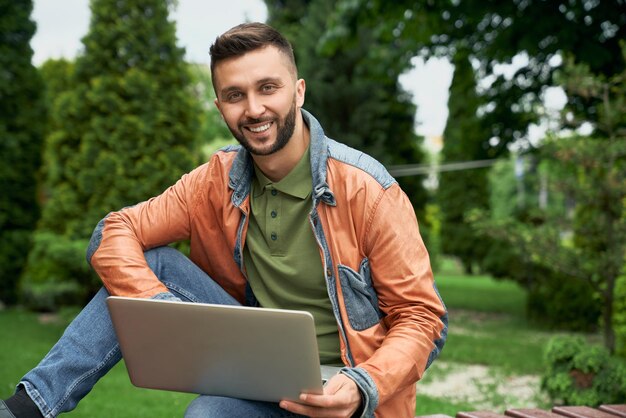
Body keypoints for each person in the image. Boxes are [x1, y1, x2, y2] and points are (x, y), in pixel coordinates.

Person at [1, 22, 448, 418]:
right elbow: (113, 231)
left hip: (352, 399)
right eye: (236, 95)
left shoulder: (368, 190)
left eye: (267, 88)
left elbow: (423, 319)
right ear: (220, 107)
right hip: (263, 379)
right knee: (156, 273)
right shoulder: (214, 180)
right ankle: (27, 409)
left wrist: (362, 385)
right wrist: (160, 309)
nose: (253, 109)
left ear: (299, 91)